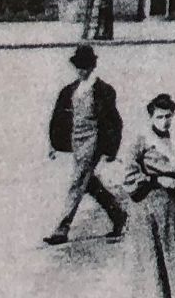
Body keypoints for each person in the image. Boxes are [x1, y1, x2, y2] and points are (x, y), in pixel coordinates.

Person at [45, 44, 127, 245]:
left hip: (94, 141)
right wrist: (54, 144)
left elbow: (114, 122)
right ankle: (118, 215)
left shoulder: (103, 90)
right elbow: (59, 118)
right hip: (76, 141)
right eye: (78, 67)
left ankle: (61, 230)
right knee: (88, 182)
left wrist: (111, 149)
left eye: (85, 67)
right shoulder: (70, 90)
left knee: (77, 181)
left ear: (92, 67)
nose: (81, 71)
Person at [122, 94, 175, 298]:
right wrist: (157, 181)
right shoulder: (141, 142)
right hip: (147, 208)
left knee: (174, 257)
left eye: (168, 116)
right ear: (151, 117)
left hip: (171, 208)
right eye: (160, 117)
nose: (165, 121)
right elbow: (128, 175)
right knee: (151, 260)